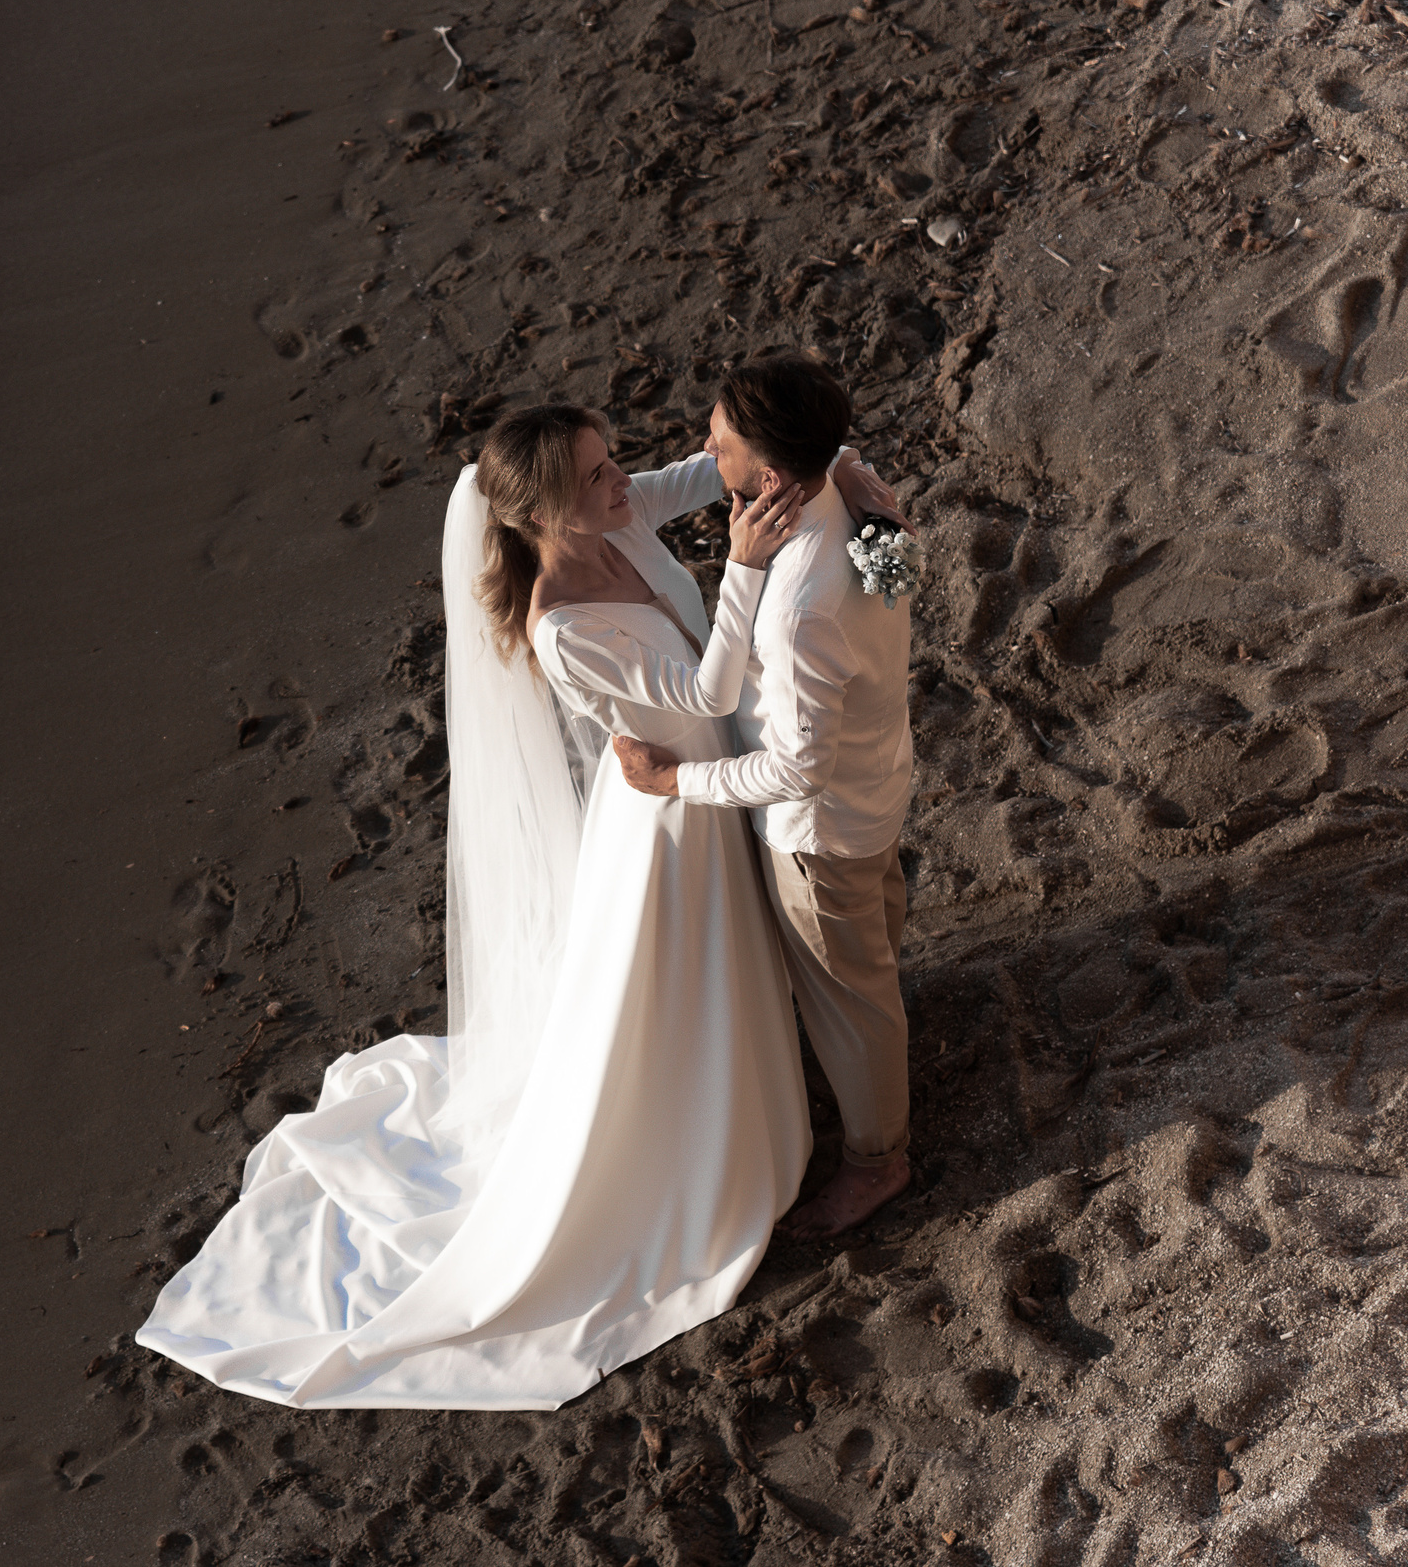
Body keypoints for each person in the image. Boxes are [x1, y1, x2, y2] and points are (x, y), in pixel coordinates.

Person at [135, 404, 885, 1409]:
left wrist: (821, 458)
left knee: (726, 979)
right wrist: (743, 566)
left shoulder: (612, 513)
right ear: (543, 513)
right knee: (680, 991)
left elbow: (704, 469)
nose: (623, 478)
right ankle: (712, 1149)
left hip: (702, 789)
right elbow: (702, 694)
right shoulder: (563, 625)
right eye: (597, 473)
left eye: (612, 458)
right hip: (667, 822)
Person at [611, 356, 916, 1239]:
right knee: (871, 952)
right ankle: (881, 1061)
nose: (705, 446)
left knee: (849, 996)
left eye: (722, 441)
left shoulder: (798, 606)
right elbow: (828, 455)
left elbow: (794, 768)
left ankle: (877, 1159)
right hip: (880, 776)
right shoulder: (853, 494)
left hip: (822, 827)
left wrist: (677, 782)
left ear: (771, 476)